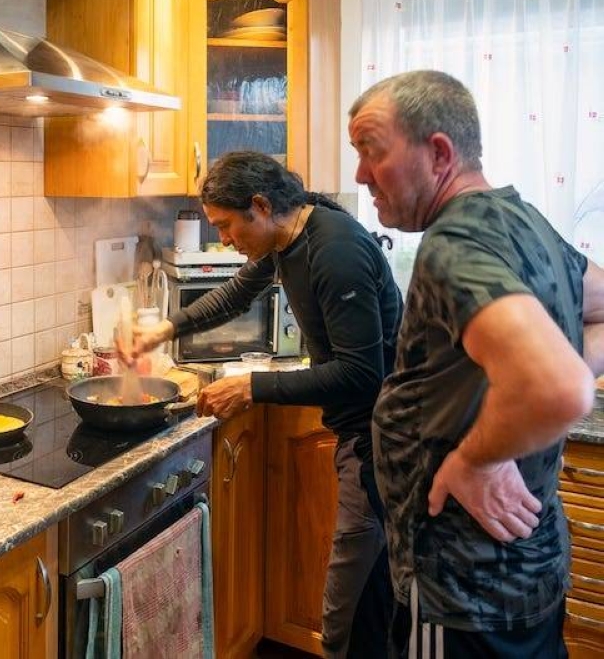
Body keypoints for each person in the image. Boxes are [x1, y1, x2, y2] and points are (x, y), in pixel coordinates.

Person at [349, 69, 604, 658]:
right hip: (528, 570)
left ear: (438, 153)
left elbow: (559, 387)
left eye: (371, 151)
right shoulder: (526, 221)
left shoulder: (453, 244)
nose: (361, 174)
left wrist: (479, 459)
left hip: (460, 587)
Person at [126, 151, 403, 659]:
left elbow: (363, 375)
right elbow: (234, 295)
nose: (224, 240)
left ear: (260, 205)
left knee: (351, 612)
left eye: (227, 226)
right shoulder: (287, 237)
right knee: (371, 601)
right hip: (362, 439)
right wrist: (165, 329)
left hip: (380, 446)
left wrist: (252, 387)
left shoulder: (334, 250)